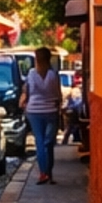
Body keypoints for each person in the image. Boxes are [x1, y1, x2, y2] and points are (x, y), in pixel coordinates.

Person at [21, 45, 63, 183]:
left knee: (39, 142)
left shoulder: (31, 74)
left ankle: (43, 173)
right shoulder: (53, 75)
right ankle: (49, 174)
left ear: (37, 59)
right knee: (48, 143)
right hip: (51, 111)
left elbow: (28, 92)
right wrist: (58, 106)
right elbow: (58, 94)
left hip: (34, 112)